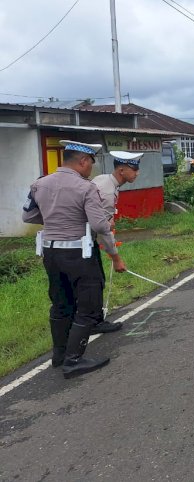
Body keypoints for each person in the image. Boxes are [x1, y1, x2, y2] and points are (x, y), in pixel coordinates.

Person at [22, 141, 126, 379]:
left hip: (51, 252)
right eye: (91, 162)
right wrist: (104, 226)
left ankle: (59, 356)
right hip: (78, 253)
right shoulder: (85, 187)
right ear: (83, 161)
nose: (91, 168)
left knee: (61, 303)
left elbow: (27, 216)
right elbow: (100, 225)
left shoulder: (39, 184)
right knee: (88, 306)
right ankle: (73, 360)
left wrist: (54, 218)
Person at [90, 151, 142, 334]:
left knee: (96, 280)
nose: (137, 173)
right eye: (134, 169)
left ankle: (93, 320)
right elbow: (103, 229)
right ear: (121, 170)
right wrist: (116, 258)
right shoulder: (106, 190)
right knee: (94, 282)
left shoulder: (105, 180)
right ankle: (93, 323)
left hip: (87, 238)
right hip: (84, 240)